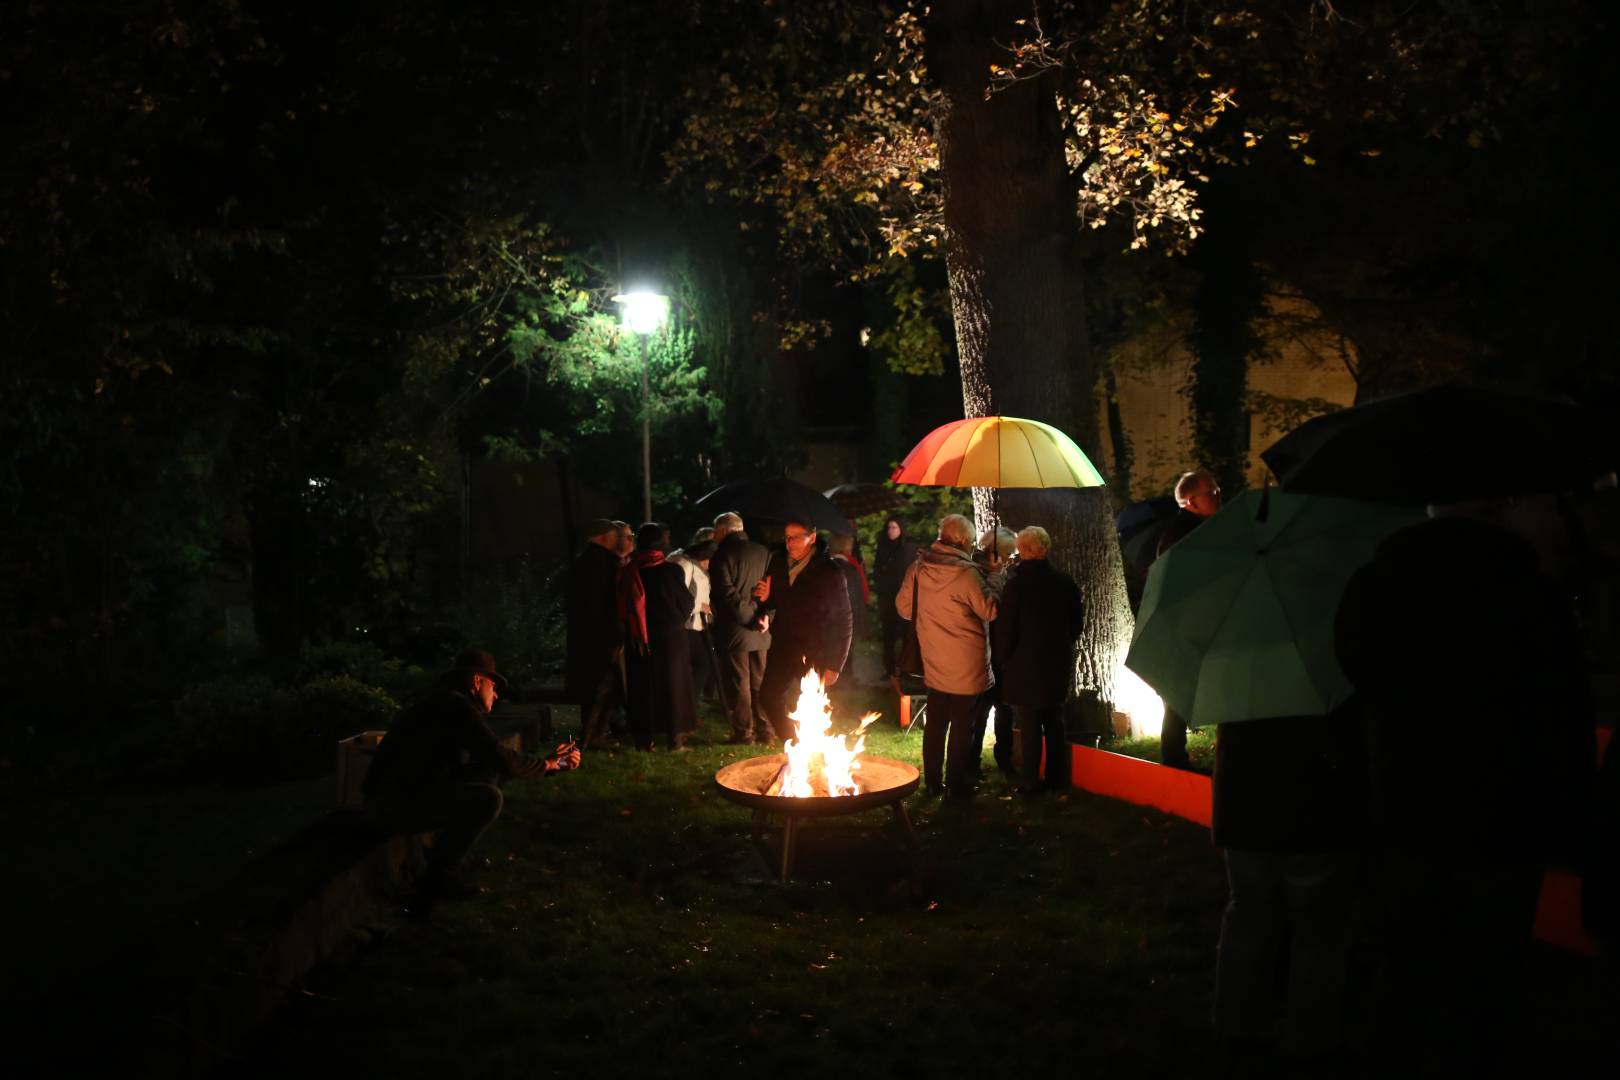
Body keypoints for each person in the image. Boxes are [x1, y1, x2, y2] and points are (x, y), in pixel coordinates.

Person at [1335, 495, 1596, 1069]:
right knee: (1491, 961)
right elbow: (1564, 711)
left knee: (1408, 958)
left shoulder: (1375, 588)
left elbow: (1355, 683)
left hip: (1407, 800)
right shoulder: (1531, 594)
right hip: (1506, 809)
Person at [1209, 702, 1369, 1068]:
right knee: (1318, 931)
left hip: (1244, 805)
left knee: (1248, 915)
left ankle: (1236, 1027)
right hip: (1314, 809)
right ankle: (1309, 1039)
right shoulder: (1326, 664)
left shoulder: (1236, 660)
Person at [363, 650, 581, 913]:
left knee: (488, 774)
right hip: (392, 806)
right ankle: (434, 880)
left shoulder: (447, 703)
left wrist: (548, 764)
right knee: (488, 798)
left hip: (396, 798)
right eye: (494, 686)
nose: (497, 695)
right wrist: (548, 764)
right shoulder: (455, 707)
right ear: (478, 681)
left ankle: (444, 865)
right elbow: (499, 755)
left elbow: (493, 759)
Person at [896, 513, 1003, 799]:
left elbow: (904, 608)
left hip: (933, 658)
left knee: (936, 724)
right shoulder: (966, 575)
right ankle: (955, 786)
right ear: (965, 541)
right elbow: (990, 609)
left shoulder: (918, 568)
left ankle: (932, 783)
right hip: (966, 662)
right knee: (961, 727)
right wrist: (995, 575)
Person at [991, 526, 1082, 795]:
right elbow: (1076, 624)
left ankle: (1031, 781)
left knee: (1029, 723)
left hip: (1023, 664)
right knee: (1054, 720)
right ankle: (1056, 777)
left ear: (1023, 550)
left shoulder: (1016, 586)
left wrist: (1002, 658)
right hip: (1055, 661)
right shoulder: (1064, 583)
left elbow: (1007, 628)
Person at [755, 519, 854, 741]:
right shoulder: (779, 562)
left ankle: (818, 755)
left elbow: (843, 618)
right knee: (768, 697)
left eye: (795, 537)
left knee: (813, 704)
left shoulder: (829, 572)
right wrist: (764, 600)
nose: (789, 543)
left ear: (812, 537)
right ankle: (795, 745)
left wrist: (835, 663)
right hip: (784, 644)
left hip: (815, 650)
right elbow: (773, 602)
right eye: (786, 537)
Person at [1156, 469, 1223, 769]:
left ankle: (1175, 756)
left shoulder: (1191, 530)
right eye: (1212, 493)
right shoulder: (1187, 535)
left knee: (1181, 695)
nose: (1218, 496)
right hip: (1189, 625)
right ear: (1190, 501)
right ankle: (1174, 759)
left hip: (1192, 622)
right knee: (1179, 694)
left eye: (1218, 491)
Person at [619, 523, 697, 751]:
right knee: (674, 688)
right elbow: (686, 602)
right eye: (666, 536)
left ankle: (644, 740)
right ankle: (675, 740)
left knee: (643, 688)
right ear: (659, 542)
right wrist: (676, 619)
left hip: (639, 639)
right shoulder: (671, 571)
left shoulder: (630, 571)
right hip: (670, 637)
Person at [709, 511, 774, 744]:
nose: (713, 536)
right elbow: (772, 590)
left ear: (725, 530)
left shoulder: (721, 556)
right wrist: (764, 617)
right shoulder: (763, 552)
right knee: (760, 680)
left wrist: (749, 619)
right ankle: (766, 729)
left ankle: (744, 732)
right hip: (761, 629)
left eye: (715, 530)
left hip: (736, 628)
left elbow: (726, 594)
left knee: (740, 682)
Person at [565, 519, 625, 749]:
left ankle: (596, 733)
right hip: (600, 638)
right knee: (600, 688)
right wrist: (614, 636)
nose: (617, 540)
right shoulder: (600, 565)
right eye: (613, 536)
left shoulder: (585, 562)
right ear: (602, 537)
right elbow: (604, 606)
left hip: (588, 637)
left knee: (599, 688)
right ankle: (591, 736)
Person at [970, 526, 1018, 774]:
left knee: (996, 707)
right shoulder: (978, 572)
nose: (1011, 560)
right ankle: (980, 759)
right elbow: (991, 609)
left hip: (994, 650)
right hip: (987, 650)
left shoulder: (975, 567)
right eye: (1010, 554)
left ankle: (987, 757)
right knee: (988, 708)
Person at [669, 535, 718, 707]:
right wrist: (702, 607)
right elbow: (679, 595)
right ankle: (688, 704)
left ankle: (689, 703)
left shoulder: (697, 567)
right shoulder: (685, 565)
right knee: (701, 663)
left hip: (697, 624)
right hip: (686, 624)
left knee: (701, 663)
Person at [874, 515, 917, 679]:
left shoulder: (909, 548)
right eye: (889, 528)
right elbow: (877, 570)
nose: (891, 531)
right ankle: (889, 669)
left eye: (894, 527)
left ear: (901, 529)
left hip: (905, 597)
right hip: (887, 597)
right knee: (888, 635)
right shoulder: (883, 547)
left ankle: (906, 669)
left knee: (906, 634)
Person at [827, 532, 870, 648]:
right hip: (846, 619)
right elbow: (860, 594)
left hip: (829, 620)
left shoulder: (825, 566)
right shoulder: (851, 566)